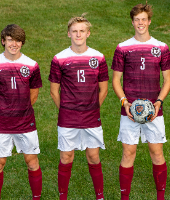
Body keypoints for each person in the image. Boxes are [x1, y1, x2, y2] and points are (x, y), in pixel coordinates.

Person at [111, 3, 170, 200]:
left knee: (156, 152)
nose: (140, 23)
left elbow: (168, 80)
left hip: (154, 110)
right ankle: (124, 197)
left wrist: (159, 102)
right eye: (137, 20)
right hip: (129, 110)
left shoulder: (161, 47)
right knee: (128, 153)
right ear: (132, 22)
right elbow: (116, 80)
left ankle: (160, 197)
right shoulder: (123, 48)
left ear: (149, 21)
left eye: (143, 19)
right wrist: (124, 102)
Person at [49, 14, 109, 200]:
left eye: (82, 31)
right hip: (68, 118)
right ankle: (63, 197)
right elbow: (54, 91)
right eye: (74, 31)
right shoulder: (59, 59)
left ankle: (100, 196)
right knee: (66, 157)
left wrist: (91, 108)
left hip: (91, 117)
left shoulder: (98, 57)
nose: (78, 34)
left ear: (88, 33)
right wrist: (66, 110)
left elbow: (104, 89)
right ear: (68, 34)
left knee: (93, 156)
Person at [0, 24, 43, 200]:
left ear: (22, 43)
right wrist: (3, 108)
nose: (14, 44)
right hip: (2, 122)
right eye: (10, 40)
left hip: (26, 122)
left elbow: (34, 93)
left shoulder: (31, 65)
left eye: (17, 40)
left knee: (32, 162)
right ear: (3, 41)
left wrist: (20, 108)